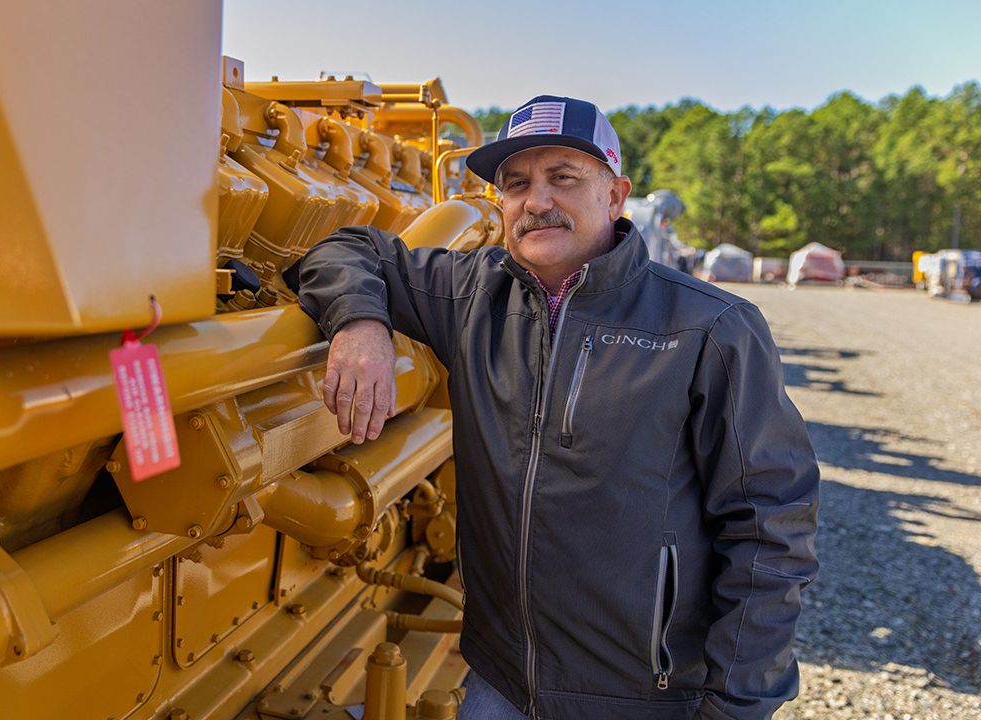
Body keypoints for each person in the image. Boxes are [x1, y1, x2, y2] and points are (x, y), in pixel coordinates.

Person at [296, 95, 819, 720]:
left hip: (644, 698)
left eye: (563, 178)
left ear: (616, 195)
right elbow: (344, 248)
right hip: (501, 683)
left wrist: (735, 707)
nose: (536, 200)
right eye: (516, 184)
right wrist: (360, 322)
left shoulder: (710, 328)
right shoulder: (472, 296)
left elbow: (769, 525)